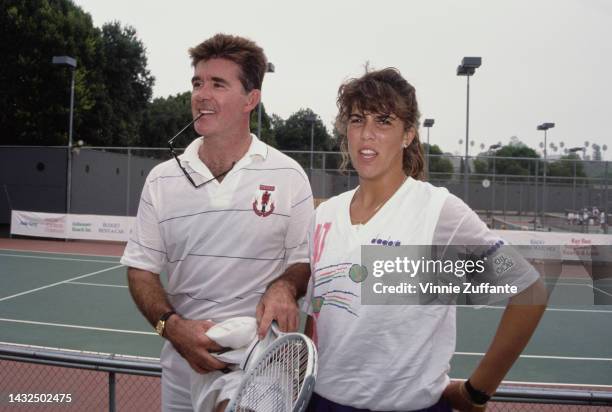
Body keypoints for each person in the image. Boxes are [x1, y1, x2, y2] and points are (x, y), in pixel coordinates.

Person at [303, 68, 547, 411]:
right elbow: (320, 317)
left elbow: (529, 289)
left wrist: (476, 392)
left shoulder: (440, 212)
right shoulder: (325, 215)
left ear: (408, 134)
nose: (367, 134)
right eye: (357, 120)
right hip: (322, 402)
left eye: (384, 121)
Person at [121, 33, 313, 412]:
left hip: (262, 363)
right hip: (181, 367)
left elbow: (304, 261)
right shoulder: (162, 179)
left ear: (251, 99)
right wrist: (171, 328)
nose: (201, 94)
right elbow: (141, 271)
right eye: (197, 83)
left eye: (218, 84)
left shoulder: (289, 176)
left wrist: (285, 287)